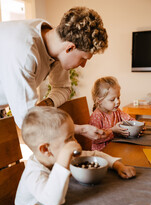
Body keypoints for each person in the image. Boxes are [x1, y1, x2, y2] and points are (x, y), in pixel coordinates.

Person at [0, 6, 108, 142]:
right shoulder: (24, 53)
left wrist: (44, 105)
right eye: (83, 58)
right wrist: (82, 129)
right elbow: (28, 122)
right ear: (70, 48)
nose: (83, 65)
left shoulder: (55, 42)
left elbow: (63, 88)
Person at [15, 106, 136, 205]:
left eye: (73, 135)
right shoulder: (33, 174)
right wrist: (64, 158)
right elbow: (53, 200)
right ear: (46, 149)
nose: (75, 141)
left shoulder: (56, 156)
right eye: (69, 139)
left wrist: (117, 165)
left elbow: (94, 155)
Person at [89, 76, 136, 151]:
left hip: (115, 147)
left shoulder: (117, 111)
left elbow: (129, 120)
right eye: (112, 99)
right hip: (103, 152)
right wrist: (112, 131)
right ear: (99, 101)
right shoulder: (96, 116)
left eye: (118, 97)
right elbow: (95, 138)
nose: (117, 102)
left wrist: (138, 125)